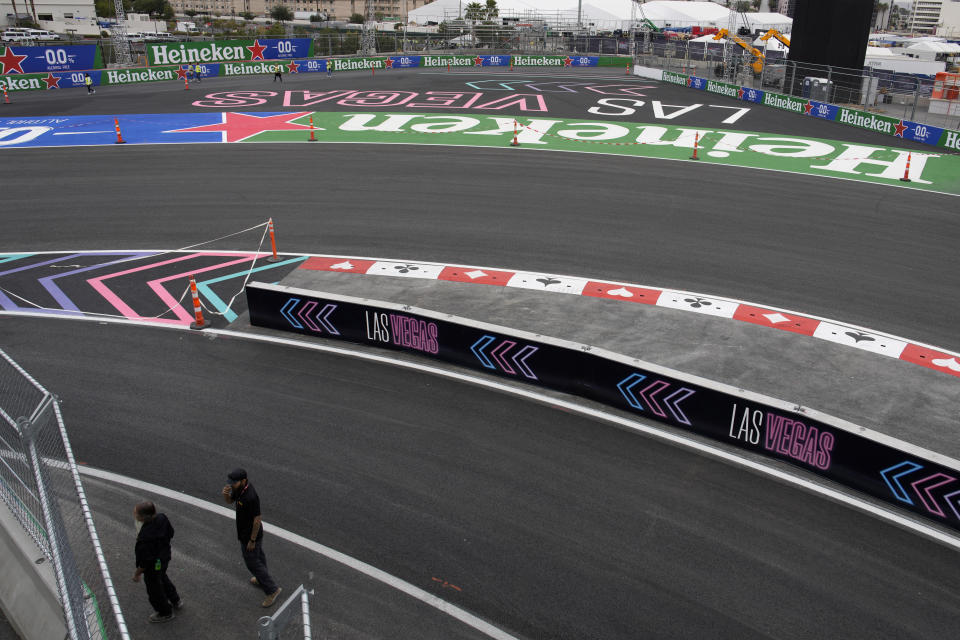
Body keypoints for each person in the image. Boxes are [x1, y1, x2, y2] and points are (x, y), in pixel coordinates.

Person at [222, 469, 282, 607]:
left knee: (252, 563)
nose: (231, 485)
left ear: (243, 481)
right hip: (245, 532)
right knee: (259, 557)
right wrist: (225, 495)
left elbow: (257, 520)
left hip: (250, 536)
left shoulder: (250, 496)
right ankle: (262, 580)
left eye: (234, 483)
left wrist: (252, 540)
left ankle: (272, 590)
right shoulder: (240, 490)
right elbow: (230, 501)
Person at [132, 501, 181, 623]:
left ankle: (165, 612)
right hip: (164, 557)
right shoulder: (162, 518)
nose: (135, 515)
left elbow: (145, 562)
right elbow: (171, 532)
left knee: (154, 588)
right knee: (162, 577)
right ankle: (175, 599)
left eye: (136, 514)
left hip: (153, 565)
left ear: (143, 517)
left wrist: (137, 573)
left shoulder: (145, 539)